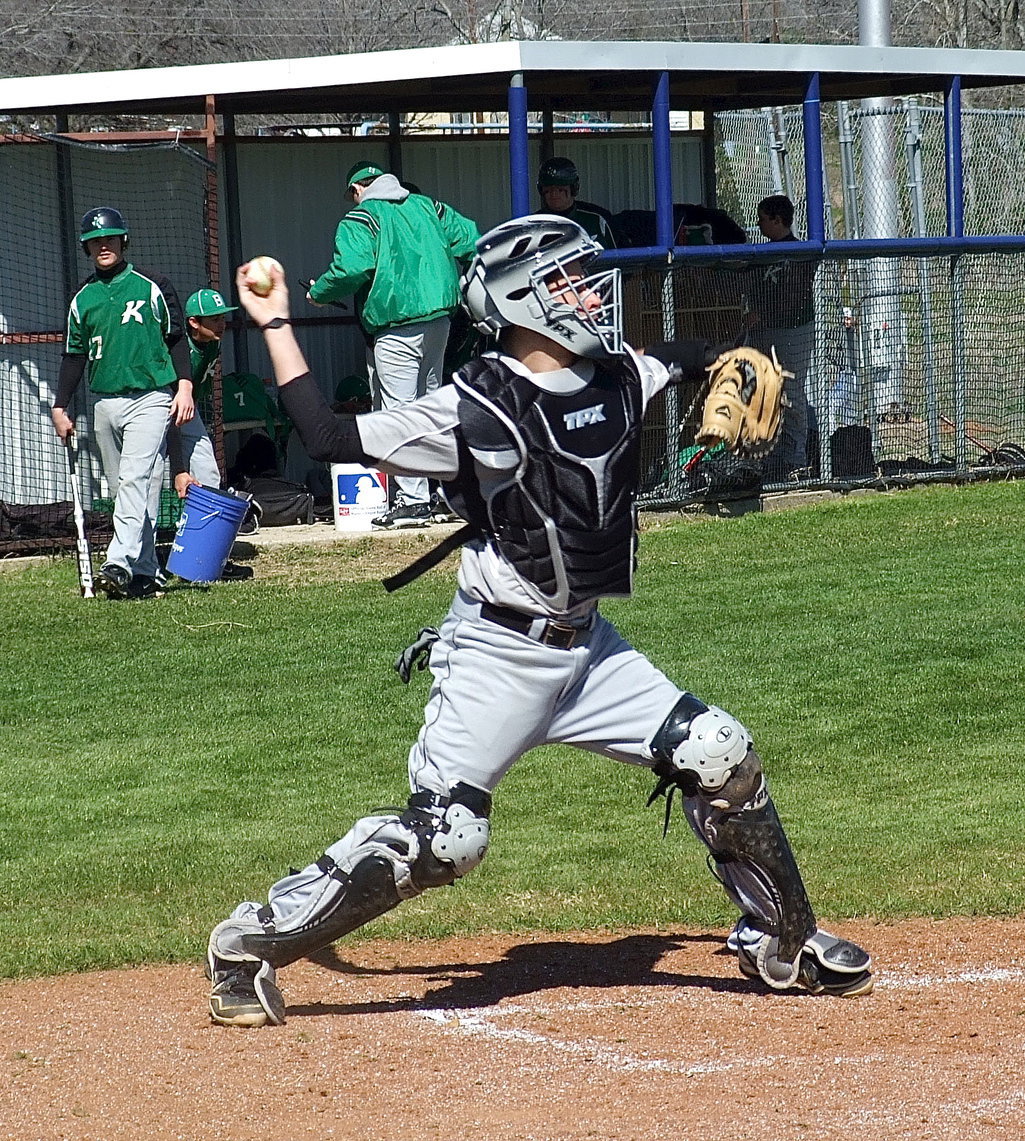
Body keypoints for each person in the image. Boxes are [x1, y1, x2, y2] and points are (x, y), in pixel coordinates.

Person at [205, 216, 873, 1028]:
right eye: (571, 280)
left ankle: (786, 938)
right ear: (522, 299)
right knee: (447, 838)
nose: (594, 293)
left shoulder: (619, 373)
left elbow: (684, 357)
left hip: (589, 650)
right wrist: (274, 322)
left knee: (719, 751)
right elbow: (327, 435)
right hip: (495, 654)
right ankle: (249, 941)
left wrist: (738, 355)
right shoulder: (474, 403)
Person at [307, 160, 479, 527]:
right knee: (433, 408)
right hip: (439, 320)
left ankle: (414, 499)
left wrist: (320, 293)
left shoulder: (362, 218)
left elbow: (351, 269)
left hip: (396, 324)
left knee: (400, 413)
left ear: (357, 190)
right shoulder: (427, 205)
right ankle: (448, 491)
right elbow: (470, 238)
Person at [50, 207, 194, 601]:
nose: (103, 246)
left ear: (123, 242)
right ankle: (145, 575)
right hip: (105, 405)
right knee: (129, 493)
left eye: (110, 239)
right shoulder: (83, 299)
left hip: (151, 398)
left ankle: (117, 562)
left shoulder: (152, 285)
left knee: (133, 480)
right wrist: (60, 406)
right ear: (86, 247)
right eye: (95, 241)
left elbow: (176, 338)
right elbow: (74, 356)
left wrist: (185, 386)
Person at [168, 288, 254, 580]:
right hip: (161, 413)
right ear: (193, 322)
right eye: (214, 319)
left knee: (209, 476)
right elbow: (170, 408)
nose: (222, 324)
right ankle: (146, 563)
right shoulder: (179, 348)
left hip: (189, 415)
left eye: (222, 318)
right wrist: (177, 466)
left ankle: (209, 557)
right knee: (146, 482)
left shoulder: (213, 344)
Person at [748, 194, 816, 480]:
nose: (759, 224)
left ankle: (797, 457)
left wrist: (762, 314)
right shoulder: (762, 254)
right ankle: (771, 453)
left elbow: (793, 297)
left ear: (778, 220)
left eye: (763, 218)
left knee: (791, 391)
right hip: (766, 331)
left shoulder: (799, 253)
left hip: (793, 330)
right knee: (765, 390)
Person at [537, 157, 616, 250]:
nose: (554, 194)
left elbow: (618, 257)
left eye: (560, 189)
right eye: (548, 190)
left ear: (573, 188)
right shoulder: (534, 223)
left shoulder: (596, 220)